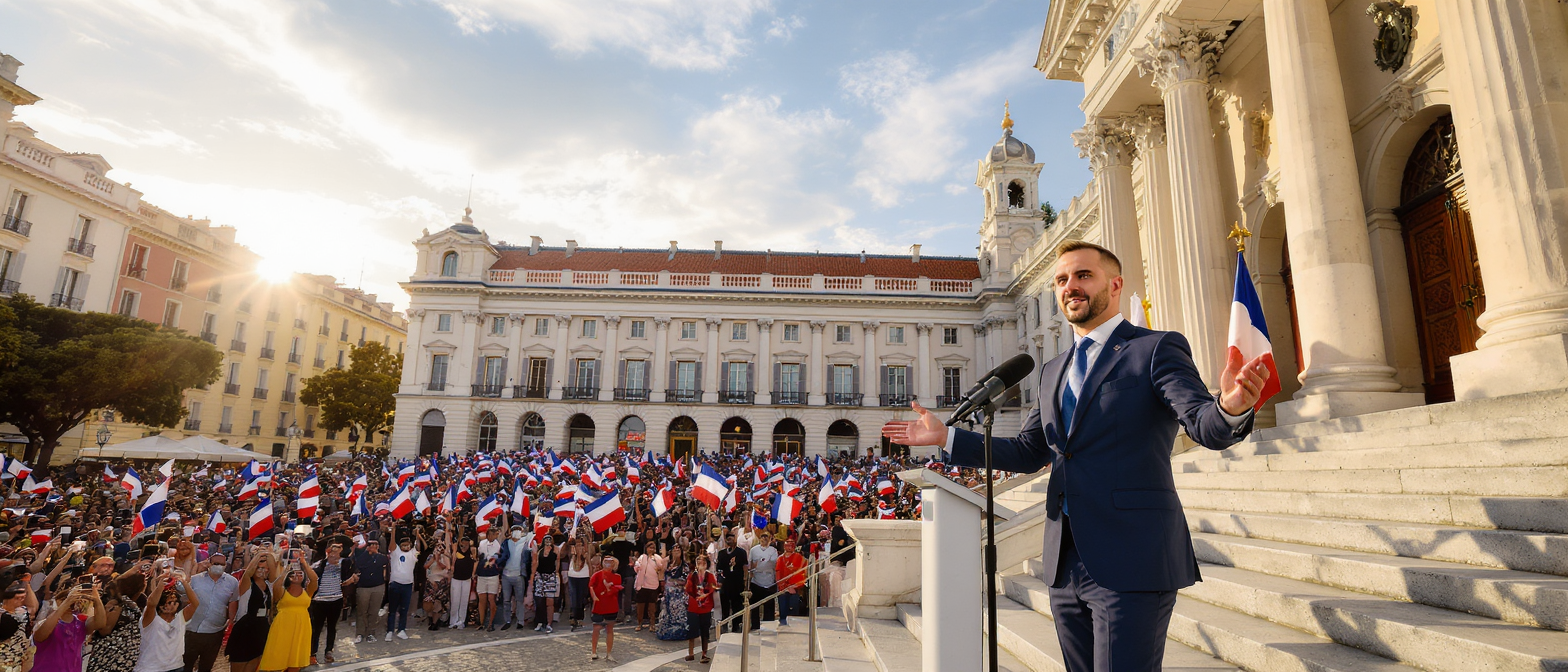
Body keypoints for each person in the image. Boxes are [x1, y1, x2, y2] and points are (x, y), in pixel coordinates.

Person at [882, 240, 1271, 672]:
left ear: (1115, 284)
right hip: (1065, 561)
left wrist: (1231, 406)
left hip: (1133, 557)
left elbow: (1202, 424)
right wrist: (947, 437)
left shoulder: (1156, 348)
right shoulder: (1053, 370)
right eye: (1062, 279)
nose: (1071, 286)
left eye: (1084, 275)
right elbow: (1029, 452)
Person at [258, 551, 317, 672]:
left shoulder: (308, 591)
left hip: (302, 626)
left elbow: (314, 579)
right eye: (293, 574)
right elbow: (276, 586)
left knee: (295, 661)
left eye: (300, 574)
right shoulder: (282, 591)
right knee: (280, 655)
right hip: (283, 626)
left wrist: (304, 563)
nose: (296, 575)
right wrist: (286, 570)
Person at [35, 578, 107, 672]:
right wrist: (67, 602)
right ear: (57, 600)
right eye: (63, 599)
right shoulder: (48, 621)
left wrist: (97, 600)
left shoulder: (80, 622)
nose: (70, 603)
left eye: (73, 599)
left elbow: (100, 623)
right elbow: (40, 636)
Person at [183, 552, 238, 672]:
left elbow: (233, 601)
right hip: (192, 630)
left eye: (222, 564)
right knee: (185, 666)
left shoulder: (232, 582)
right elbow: (185, 597)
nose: (219, 566)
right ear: (209, 563)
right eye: (216, 563)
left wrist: (231, 622)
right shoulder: (196, 580)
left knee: (206, 667)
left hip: (215, 632)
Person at [134, 569, 197, 672]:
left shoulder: (180, 618)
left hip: (176, 666)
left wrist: (185, 584)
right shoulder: (151, 619)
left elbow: (195, 603)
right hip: (150, 668)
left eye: (175, 602)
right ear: (160, 604)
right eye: (168, 602)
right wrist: (160, 586)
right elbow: (151, 603)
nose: (171, 605)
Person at [225, 551, 274, 672]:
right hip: (245, 628)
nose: (262, 571)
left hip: (261, 627)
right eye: (259, 568)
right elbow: (247, 573)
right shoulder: (247, 584)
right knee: (240, 663)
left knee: (253, 663)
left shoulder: (268, 585)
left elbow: (274, 572)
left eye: (265, 568)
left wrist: (269, 555)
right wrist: (258, 557)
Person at [308, 542, 355, 664]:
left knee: (332, 627)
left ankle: (329, 651)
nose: (335, 556)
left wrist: (350, 580)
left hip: (336, 599)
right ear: (328, 552)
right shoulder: (319, 565)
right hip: (320, 601)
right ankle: (312, 653)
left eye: (338, 552)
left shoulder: (344, 565)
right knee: (316, 628)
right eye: (333, 552)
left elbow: (347, 578)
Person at [385, 522, 418, 640]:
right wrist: (393, 530)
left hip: (407, 585)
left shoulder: (413, 554)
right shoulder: (396, 552)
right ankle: (389, 631)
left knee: (404, 609)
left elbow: (418, 546)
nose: (406, 547)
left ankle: (401, 630)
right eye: (404, 545)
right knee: (392, 609)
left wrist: (418, 535)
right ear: (400, 546)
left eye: (408, 545)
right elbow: (391, 546)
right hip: (395, 584)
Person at [684, 554, 719, 663]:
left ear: (706, 564)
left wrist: (705, 595)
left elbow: (713, 587)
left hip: (706, 607)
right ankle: (691, 653)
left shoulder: (710, 576)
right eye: (698, 561)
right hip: (693, 606)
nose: (700, 563)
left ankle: (704, 654)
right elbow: (688, 588)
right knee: (692, 630)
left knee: (705, 631)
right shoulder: (692, 575)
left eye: (703, 561)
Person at [351, 538, 388, 642]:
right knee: (362, 611)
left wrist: (376, 553)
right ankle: (360, 633)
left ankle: (371, 633)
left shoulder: (381, 557)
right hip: (363, 587)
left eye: (375, 544)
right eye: (371, 544)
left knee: (374, 611)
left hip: (378, 586)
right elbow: (359, 564)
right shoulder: (362, 555)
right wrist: (367, 552)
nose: (373, 546)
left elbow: (384, 562)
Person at [653, 544, 690, 641]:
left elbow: (685, 580)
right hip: (668, 594)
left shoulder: (684, 566)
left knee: (677, 614)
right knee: (667, 613)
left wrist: (674, 582)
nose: (676, 550)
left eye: (679, 549)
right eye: (674, 549)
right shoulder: (668, 564)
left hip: (678, 595)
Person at [588, 557, 621, 663]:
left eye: (610, 562)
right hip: (599, 606)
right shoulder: (597, 575)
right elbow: (591, 586)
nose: (607, 564)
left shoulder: (617, 577)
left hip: (611, 606)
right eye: (606, 562)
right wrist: (594, 596)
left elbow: (617, 588)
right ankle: (593, 651)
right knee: (596, 628)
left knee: (609, 629)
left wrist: (608, 589)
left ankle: (609, 653)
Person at [0, 578, 36, 672]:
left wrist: (27, 584)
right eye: (16, 598)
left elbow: (33, 607)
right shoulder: (1, 613)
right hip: (4, 657)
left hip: (20, 657)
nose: (20, 600)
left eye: (22, 598)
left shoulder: (22, 611)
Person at [499, 525, 529, 630]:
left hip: (519, 575)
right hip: (506, 575)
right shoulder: (506, 543)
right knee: (506, 600)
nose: (516, 532)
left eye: (519, 530)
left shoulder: (525, 543)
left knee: (519, 599)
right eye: (514, 530)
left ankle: (520, 620)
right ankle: (507, 620)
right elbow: (501, 555)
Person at [715, 532, 747, 633]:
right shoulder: (722, 553)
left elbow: (745, 567)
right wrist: (719, 581)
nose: (730, 540)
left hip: (737, 583)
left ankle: (736, 626)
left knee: (737, 605)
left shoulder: (741, 552)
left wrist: (746, 582)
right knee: (725, 606)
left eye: (732, 538)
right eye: (728, 538)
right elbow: (719, 569)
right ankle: (724, 625)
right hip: (725, 583)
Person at [746, 531, 778, 630]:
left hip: (769, 582)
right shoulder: (753, 550)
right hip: (756, 582)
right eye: (762, 537)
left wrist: (759, 563)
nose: (764, 539)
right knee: (755, 607)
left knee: (769, 607)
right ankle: (755, 626)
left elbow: (772, 564)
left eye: (766, 537)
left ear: (770, 539)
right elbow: (751, 564)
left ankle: (769, 627)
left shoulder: (773, 550)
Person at [474, 528, 503, 631]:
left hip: (492, 575)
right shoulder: (482, 543)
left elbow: (496, 556)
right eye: (490, 534)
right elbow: (479, 556)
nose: (492, 536)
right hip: (482, 574)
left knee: (491, 599)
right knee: (482, 599)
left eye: (493, 534)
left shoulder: (498, 544)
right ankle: (482, 622)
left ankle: (491, 623)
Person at [421, 530, 450, 631]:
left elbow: (445, 568)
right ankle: (430, 620)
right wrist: (433, 559)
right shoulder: (430, 557)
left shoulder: (445, 558)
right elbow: (425, 566)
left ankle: (435, 623)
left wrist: (438, 560)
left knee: (438, 603)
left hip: (441, 582)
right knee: (429, 603)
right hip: (430, 582)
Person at [631, 541, 663, 631]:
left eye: (653, 548)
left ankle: (652, 624)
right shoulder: (642, 557)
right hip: (642, 585)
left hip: (653, 585)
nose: (651, 549)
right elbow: (637, 567)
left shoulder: (657, 558)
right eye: (650, 547)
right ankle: (639, 623)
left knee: (652, 607)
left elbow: (660, 568)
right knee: (640, 606)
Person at [774, 538, 806, 627]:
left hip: (794, 588)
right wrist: (781, 586)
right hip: (783, 588)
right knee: (783, 609)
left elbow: (801, 572)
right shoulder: (780, 559)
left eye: (791, 545)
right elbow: (778, 572)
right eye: (787, 545)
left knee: (793, 610)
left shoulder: (799, 558)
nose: (789, 547)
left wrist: (793, 586)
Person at [529, 536, 559, 633]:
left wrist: (555, 575)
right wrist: (532, 577)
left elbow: (557, 563)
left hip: (550, 577)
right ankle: (540, 622)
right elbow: (535, 563)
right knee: (540, 601)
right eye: (546, 539)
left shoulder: (555, 550)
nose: (548, 541)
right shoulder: (540, 551)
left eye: (550, 539)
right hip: (540, 577)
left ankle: (549, 624)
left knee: (550, 602)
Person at [564, 539, 591, 632]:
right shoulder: (572, 555)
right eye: (577, 545)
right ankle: (573, 617)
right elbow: (566, 549)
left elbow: (590, 566)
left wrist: (591, 578)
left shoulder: (586, 555)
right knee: (573, 597)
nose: (579, 547)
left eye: (581, 545)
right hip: (573, 577)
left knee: (581, 598)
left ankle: (580, 618)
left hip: (584, 577)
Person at [447, 536, 474, 629]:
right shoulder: (456, 553)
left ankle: (461, 621)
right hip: (456, 579)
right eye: (463, 543)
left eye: (467, 543)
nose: (465, 546)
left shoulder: (471, 552)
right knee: (455, 600)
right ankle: (453, 621)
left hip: (467, 579)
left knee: (464, 601)